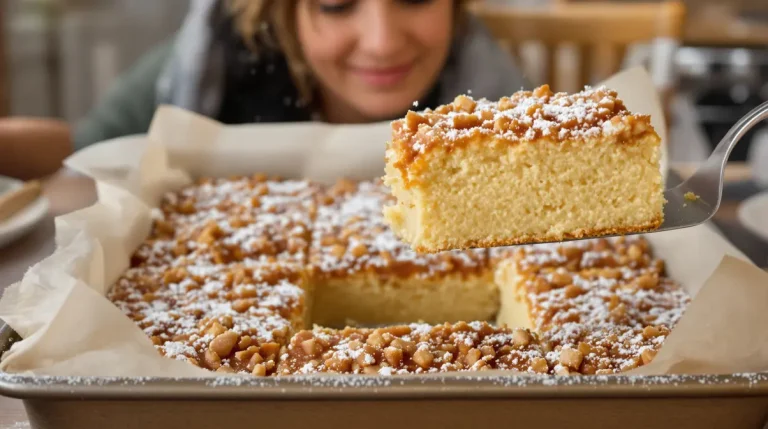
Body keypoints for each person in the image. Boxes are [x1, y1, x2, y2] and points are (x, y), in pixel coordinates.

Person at [0, 0, 527, 180]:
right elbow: (88, 151)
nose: (383, 41)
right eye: (336, 3)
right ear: (285, 13)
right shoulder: (216, 65)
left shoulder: (490, 88)